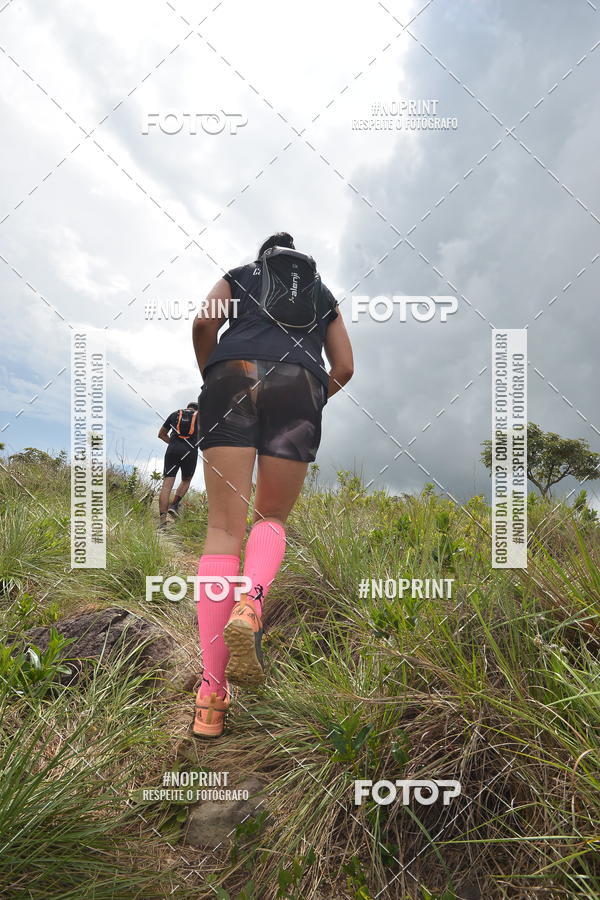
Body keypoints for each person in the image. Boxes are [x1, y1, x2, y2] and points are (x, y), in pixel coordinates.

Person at [190, 232, 354, 738]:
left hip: (229, 376)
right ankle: (251, 602)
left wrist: (213, 373)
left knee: (223, 531)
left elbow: (203, 321)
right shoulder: (322, 294)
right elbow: (346, 367)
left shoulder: (240, 272)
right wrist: (310, 395)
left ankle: (211, 698)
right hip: (300, 384)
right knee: (272, 517)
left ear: (265, 253)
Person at [157, 401, 199, 528]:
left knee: (166, 486)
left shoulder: (175, 414)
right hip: (190, 451)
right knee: (186, 480)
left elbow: (161, 434)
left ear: (187, 407)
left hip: (172, 450)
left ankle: (162, 521)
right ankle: (174, 505)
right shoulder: (201, 417)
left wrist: (173, 444)